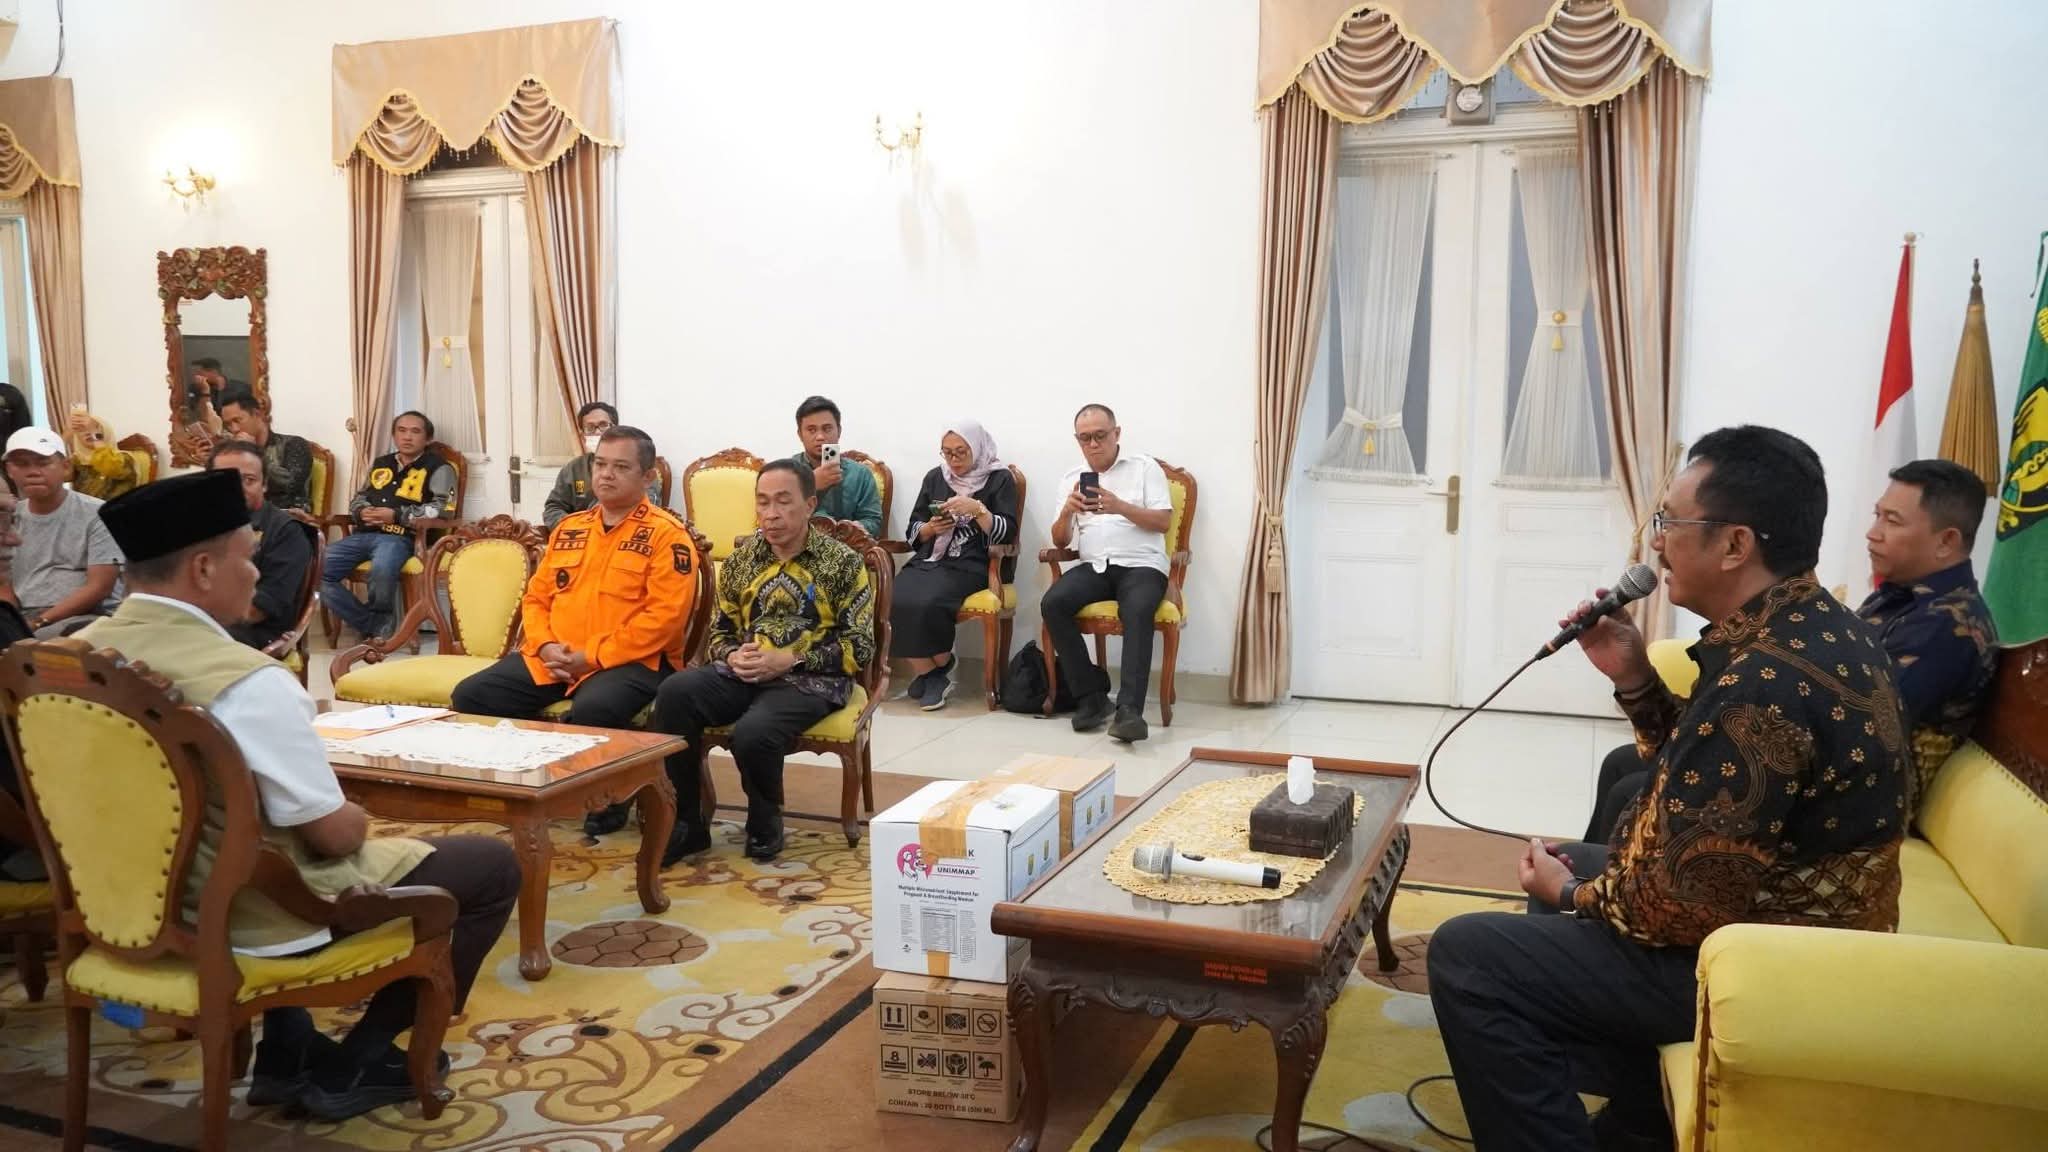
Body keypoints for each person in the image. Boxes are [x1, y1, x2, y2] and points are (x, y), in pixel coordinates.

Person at [1427, 426, 1909, 1152]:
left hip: (1770, 967)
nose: (1656, 543)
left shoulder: (1765, 682)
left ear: (1735, 544)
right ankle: (1637, 1127)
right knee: (1574, 868)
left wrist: (1574, 895)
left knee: (1469, 956)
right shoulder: (1814, 628)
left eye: (1670, 522)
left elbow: (1682, 911)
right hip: (1784, 929)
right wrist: (1633, 677)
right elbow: (1707, 778)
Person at [78, 470, 518, 1122]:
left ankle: (288, 1052)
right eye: (247, 558)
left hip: (119, 906)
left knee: (267, 842)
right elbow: (332, 838)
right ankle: (362, 1058)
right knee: (491, 866)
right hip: (242, 919)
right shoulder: (245, 682)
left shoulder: (65, 656)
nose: (258, 575)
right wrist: (358, 816)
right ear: (203, 569)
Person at [1582, 456, 2000, 842]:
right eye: (1877, 515)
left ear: (1946, 541)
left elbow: (1850, 729)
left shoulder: (1948, 629)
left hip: (1845, 804)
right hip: (1813, 765)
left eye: (1892, 521)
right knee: (1622, 764)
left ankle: (1586, 886)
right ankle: (1589, 882)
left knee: (1633, 790)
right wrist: (1638, 679)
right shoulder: (1896, 599)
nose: (1873, 532)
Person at [453, 427, 703, 837]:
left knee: (594, 709)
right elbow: (536, 599)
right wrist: (545, 646)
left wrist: (592, 657)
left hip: (633, 661)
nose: (606, 474)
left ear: (648, 477)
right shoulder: (570, 528)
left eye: (620, 467)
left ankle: (610, 797)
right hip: (557, 657)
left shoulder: (666, 536)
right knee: (473, 695)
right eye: (600, 464)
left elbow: (663, 620)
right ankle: (530, 783)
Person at [654, 461, 874, 864]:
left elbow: (859, 647)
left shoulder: (843, 563)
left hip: (812, 679)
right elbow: (718, 634)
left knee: (754, 731)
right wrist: (732, 655)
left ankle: (764, 819)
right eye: (763, 502)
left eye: (783, 502)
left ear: (809, 505)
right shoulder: (742, 561)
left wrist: (791, 659)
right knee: (674, 694)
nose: (771, 514)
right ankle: (687, 821)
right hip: (745, 671)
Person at [1040, 403, 1173, 744]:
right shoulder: (1072, 478)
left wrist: (1119, 506)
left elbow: (1163, 522)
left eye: (1100, 435)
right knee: (1053, 603)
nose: (1093, 444)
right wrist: (1066, 513)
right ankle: (1091, 697)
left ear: (1117, 433)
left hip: (1141, 565)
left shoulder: (1144, 468)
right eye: (1085, 438)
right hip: (1095, 566)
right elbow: (1060, 540)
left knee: (1137, 609)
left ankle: (1129, 711)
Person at [891, 421, 1017, 710]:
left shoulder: (999, 479)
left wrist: (979, 510)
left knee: (929, 600)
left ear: (977, 448)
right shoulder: (935, 477)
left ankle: (933, 673)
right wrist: (930, 528)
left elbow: (1007, 533)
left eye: (961, 452)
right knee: (893, 597)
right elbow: (914, 530)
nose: (954, 460)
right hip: (930, 560)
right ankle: (934, 671)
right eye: (947, 453)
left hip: (971, 564)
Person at [320, 411, 457, 641]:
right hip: (363, 535)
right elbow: (359, 497)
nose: (407, 437)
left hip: (401, 537)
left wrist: (397, 515)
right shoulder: (382, 464)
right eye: (401, 431)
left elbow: (444, 508)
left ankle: (380, 620)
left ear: (427, 438)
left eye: (415, 431)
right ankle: (371, 622)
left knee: (382, 568)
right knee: (314, 570)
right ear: (394, 435)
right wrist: (362, 511)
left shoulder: (439, 467)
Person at [0, 427, 123, 637]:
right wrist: (13, 623)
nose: (32, 471)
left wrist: (36, 623)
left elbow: (99, 587)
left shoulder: (98, 514)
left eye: (43, 463)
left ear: (65, 467)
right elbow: (4, 584)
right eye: (22, 464)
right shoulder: (9, 516)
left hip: (85, 616)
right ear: (10, 470)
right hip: (25, 616)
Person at [209, 439, 316, 651]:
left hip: (249, 633)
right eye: (225, 479)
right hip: (193, 624)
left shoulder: (286, 532)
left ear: (264, 484)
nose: (237, 488)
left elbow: (255, 611)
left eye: (249, 480)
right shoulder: (194, 523)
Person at [542, 402, 663, 528]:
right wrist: (576, 529)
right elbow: (553, 507)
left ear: (616, 429)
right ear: (582, 436)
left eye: (603, 425)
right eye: (590, 428)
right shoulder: (574, 468)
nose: (597, 432)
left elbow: (647, 506)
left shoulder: (639, 464)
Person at [791, 395, 883, 538]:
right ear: (800, 434)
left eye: (827, 429)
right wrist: (811, 485)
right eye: (811, 430)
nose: (820, 437)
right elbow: (779, 517)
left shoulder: (861, 474)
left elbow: (874, 522)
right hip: (799, 547)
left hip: (847, 547)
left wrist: (853, 528)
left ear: (839, 431)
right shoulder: (787, 472)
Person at [218, 391, 316, 513]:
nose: (234, 429)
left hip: (288, 515)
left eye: (237, 420)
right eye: (228, 424)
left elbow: (290, 484)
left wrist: (255, 453)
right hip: (248, 514)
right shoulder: (238, 451)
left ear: (257, 414)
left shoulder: (294, 444)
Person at [62, 407, 141, 500]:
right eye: (82, 429)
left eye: (95, 428)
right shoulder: (78, 460)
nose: (88, 432)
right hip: (84, 508)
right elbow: (57, 476)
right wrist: (65, 437)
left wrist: (94, 435)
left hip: (114, 508)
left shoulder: (124, 458)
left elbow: (109, 467)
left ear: (107, 431)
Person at [184, 358, 231, 435]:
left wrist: (220, 390)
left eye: (198, 373)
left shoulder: (237, 387)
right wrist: (205, 390)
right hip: (206, 431)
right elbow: (203, 416)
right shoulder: (194, 388)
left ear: (213, 372)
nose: (195, 377)